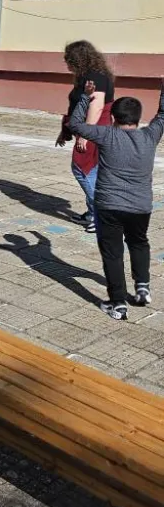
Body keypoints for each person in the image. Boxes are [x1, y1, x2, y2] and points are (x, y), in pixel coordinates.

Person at [68, 78, 164, 321]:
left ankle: (118, 304)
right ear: (139, 118)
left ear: (113, 117)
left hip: (108, 206)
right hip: (140, 206)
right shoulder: (150, 135)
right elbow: (163, 114)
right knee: (139, 243)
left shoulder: (106, 134)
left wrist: (85, 97)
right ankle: (142, 287)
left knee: (112, 253)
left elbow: (75, 124)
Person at [56, 40, 114, 234]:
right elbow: (77, 105)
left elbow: (96, 106)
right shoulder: (87, 76)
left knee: (82, 169)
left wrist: (86, 134)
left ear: (79, 59)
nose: (67, 63)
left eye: (69, 59)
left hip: (95, 131)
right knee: (92, 172)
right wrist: (65, 131)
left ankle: (102, 217)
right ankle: (92, 213)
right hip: (90, 130)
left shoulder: (96, 77)